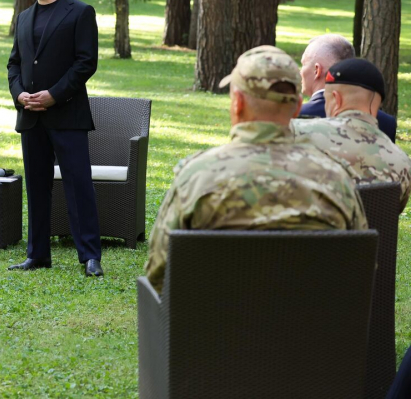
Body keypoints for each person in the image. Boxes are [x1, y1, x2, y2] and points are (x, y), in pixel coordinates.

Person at [145, 46, 368, 294]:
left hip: (212, 329)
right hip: (312, 330)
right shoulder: (337, 180)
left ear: (237, 103)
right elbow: (360, 272)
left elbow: (158, 274)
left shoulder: (197, 177)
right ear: (297, 107)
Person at [6, 0, 102, 276]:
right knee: (36, 185)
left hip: (67, 115)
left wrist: (54, 96)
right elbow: (15, 63)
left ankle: (90, 256)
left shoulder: (79, 12)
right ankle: (37, 254)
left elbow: (85, 63)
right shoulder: (23, 17)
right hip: (31, 117)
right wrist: (20, 95)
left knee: (79, 185)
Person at [292, 57, 411, 209]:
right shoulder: (403, 163)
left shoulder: (298, 133)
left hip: (310, 231)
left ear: (336, 99)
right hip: (372, 232)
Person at [299, 33, 396, 142]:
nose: (300, 71)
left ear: (317, 70)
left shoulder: (295, 116)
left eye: (303, 64)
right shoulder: (386, 122)